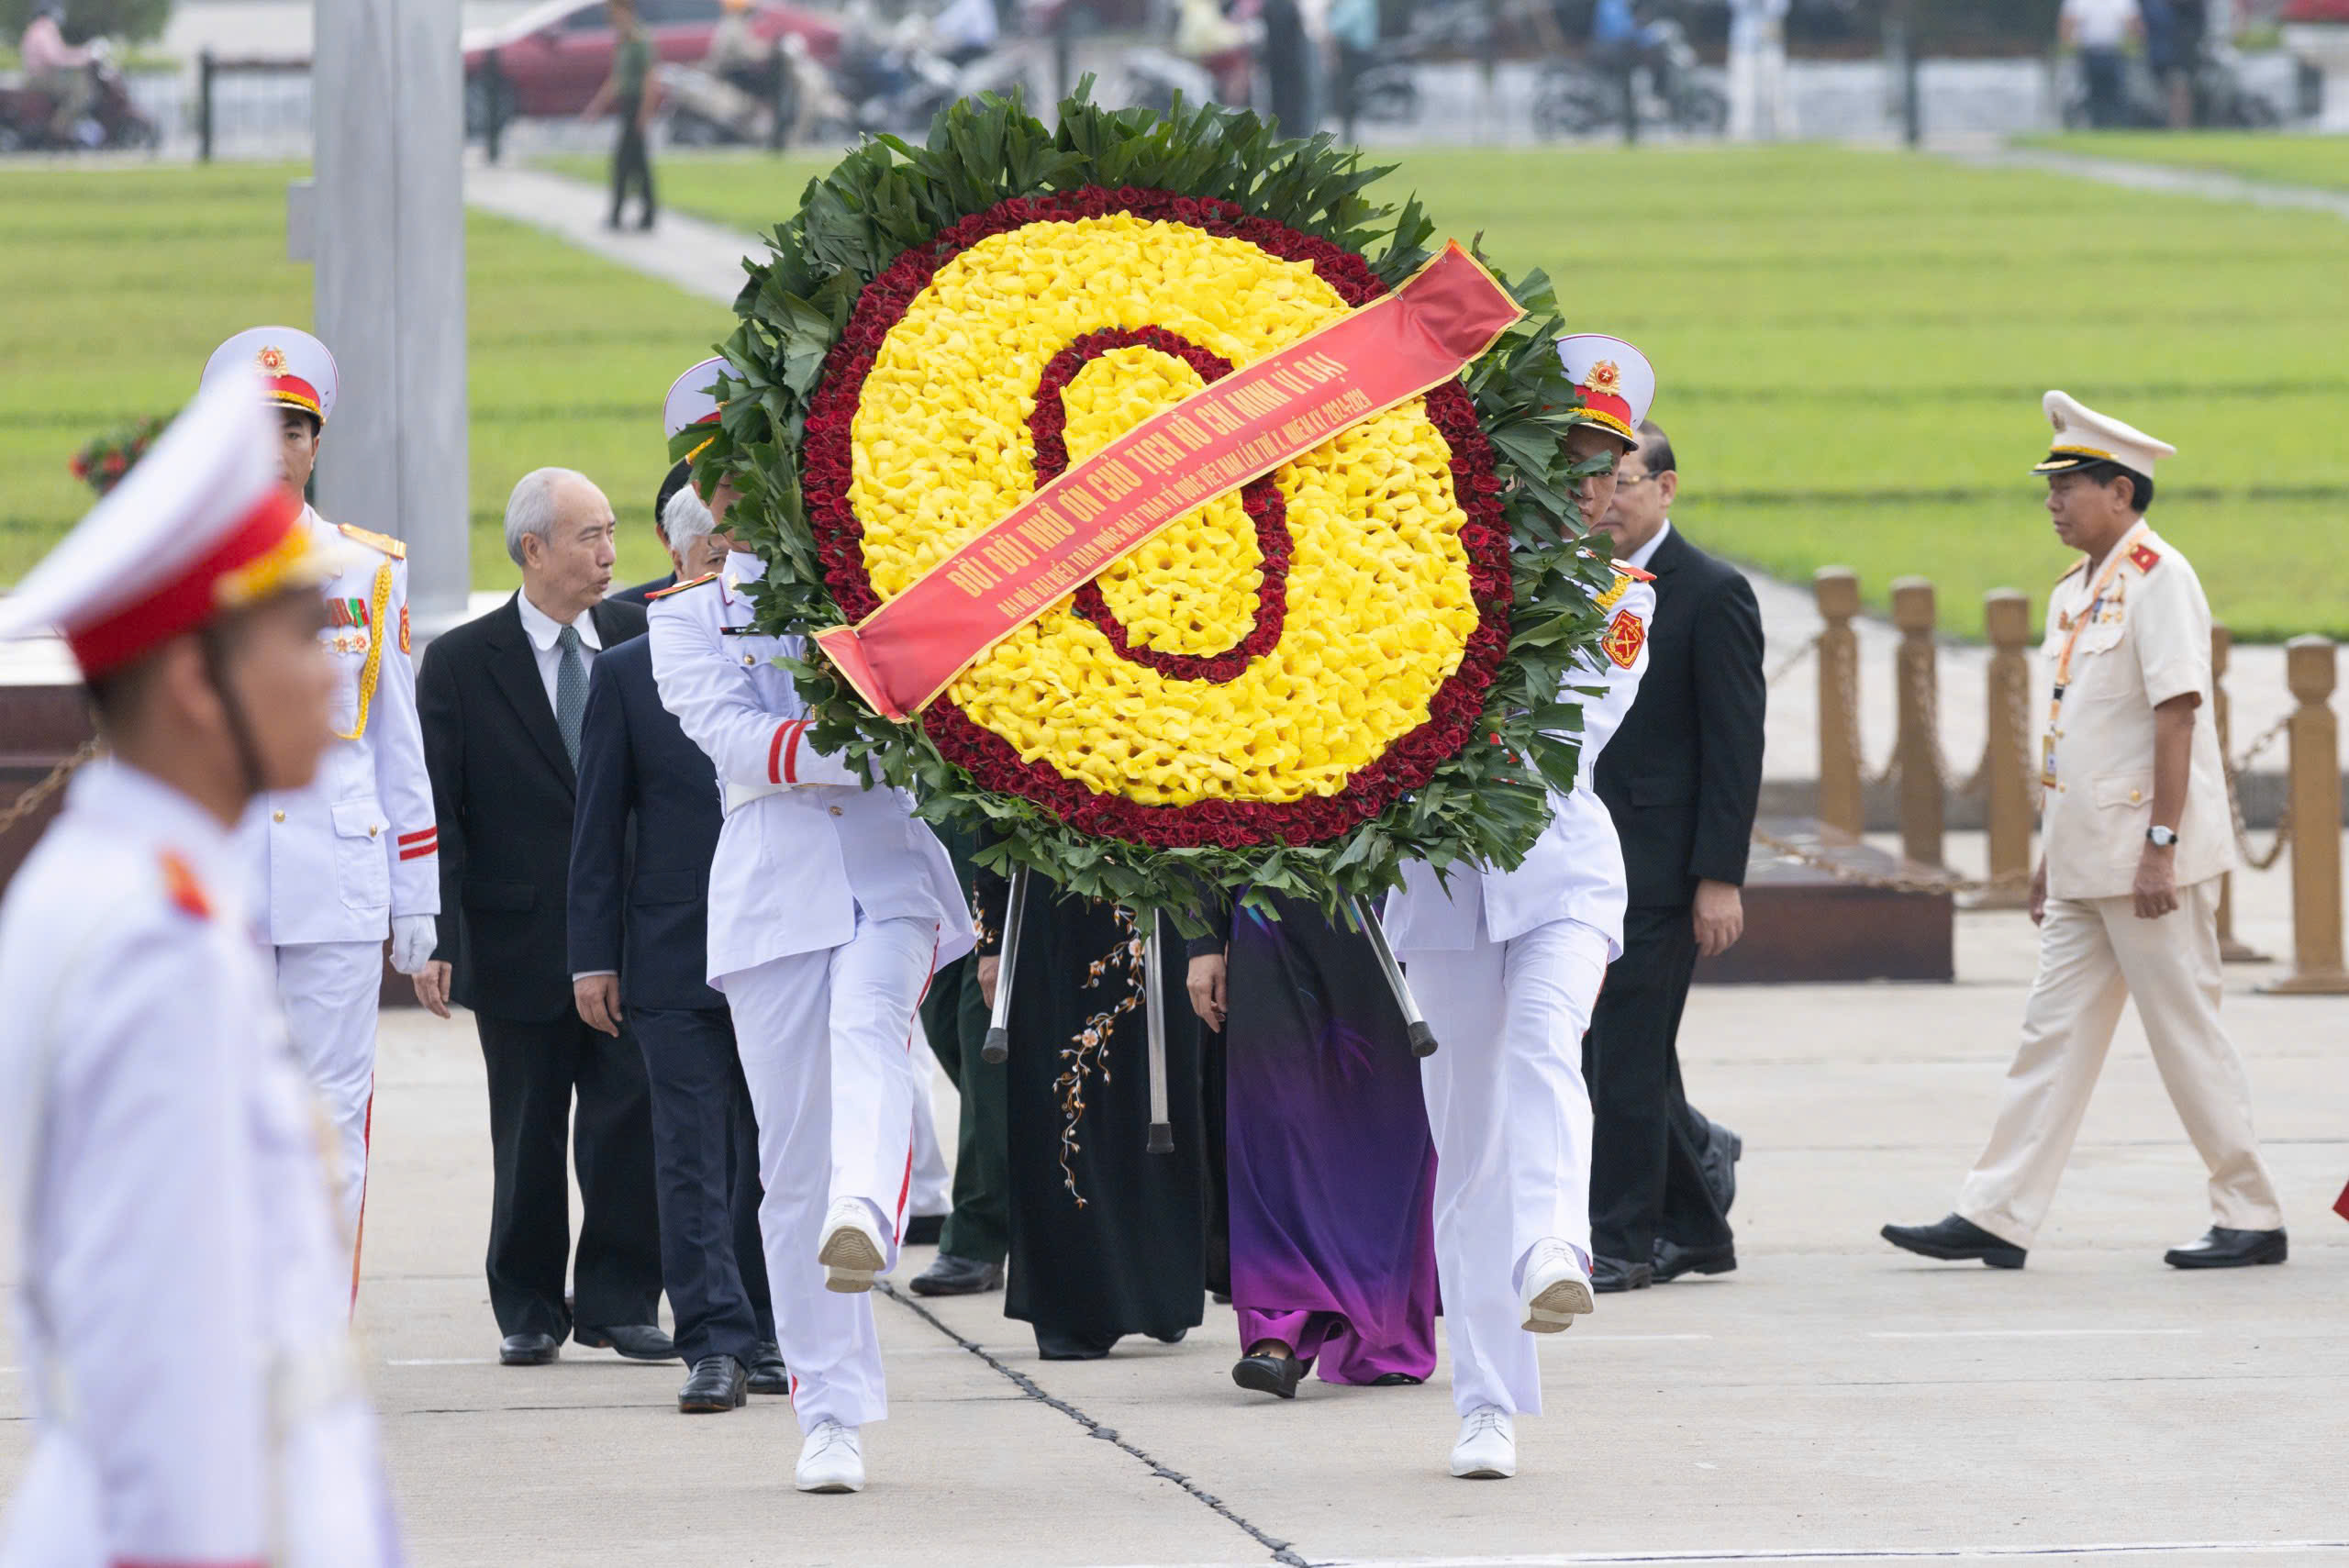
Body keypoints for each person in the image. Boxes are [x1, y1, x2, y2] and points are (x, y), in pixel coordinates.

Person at [0, 373, 404, 1566]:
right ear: (192, 680)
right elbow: (167, 1356)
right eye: (295, 639)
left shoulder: (151, 890)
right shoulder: (150, 944)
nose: (335, 674)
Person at [1883, 393, 2287, 1274]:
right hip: (2084, 861)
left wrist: (2163, 844)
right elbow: (2077, 736)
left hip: (2147, 862)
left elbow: (2178, 715)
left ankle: (2250, 1210)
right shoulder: (2076, 592)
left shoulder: (2159, 577)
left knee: (2185, 1034)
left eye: (2070, 486)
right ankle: (1996, 1212)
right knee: (2049, 1036)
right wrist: (2046, 859)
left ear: (2121, 490)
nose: (2054, 503)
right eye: (2052, 487)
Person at [650, 473, 973, 1496]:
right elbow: (738, 738)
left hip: (887, 872)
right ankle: (829, 1411)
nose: (750, 487)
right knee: (790, 1168)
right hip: (772, 894)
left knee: (871, 1027)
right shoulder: (688, 618)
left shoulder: (876, 582)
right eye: (726, 474)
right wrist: (868, 742)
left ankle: (871, 1208)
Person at [1386, 333, 1657, 1482]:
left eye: (1609, 460)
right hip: (1440, 893)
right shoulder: (1428, 563)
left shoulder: (1619, 598)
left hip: (1557, 877)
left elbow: (1562, 738)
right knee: (1466, 1149)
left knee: (1548, 1044)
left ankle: (1560, 1243)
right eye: (1572, 454)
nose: (1591, 480)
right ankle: (1483, 1401)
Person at [200, 327, 440, 1303]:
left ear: (314, 442)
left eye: (294, 427)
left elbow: (397, 742)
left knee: (333, 1112)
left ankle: (313, 1333)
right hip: (216, 875)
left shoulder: (366, 569)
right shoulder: (182, 573)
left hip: (336, 874)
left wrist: (416, 896)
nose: (276, 444)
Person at [415, 467, 669, 1367]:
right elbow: (440, 813)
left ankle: (622, 1296)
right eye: (588, 536)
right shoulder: (459, 661)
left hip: (630, 936)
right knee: (526, 1129)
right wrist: (435, 933)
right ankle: (526, 1302)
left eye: (610, 531)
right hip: (516, 933)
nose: (609, 553)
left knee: (627, 1120)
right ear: (533, 549)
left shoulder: (643, 639)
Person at [570, 481, 788, 1415]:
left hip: (779, 939)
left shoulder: (788, 654)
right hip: (673, 948)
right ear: (691, 558)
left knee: (774, 1148)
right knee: (692, 1151)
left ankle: (773, 1328)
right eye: (715, 564)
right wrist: (592, 956)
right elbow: (597, 825)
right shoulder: (629, 671)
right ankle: (714, 1342)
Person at [1583, 419, 1765, 1292]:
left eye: (1623, 481)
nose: (1607, 499)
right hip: (1586, 857)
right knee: (1627, 1055)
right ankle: (1695, 1215)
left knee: (1623, 1055)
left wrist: (1718, 878)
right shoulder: (1577, 582)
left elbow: (1735, 751)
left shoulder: (1712, 592)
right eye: (1596, 481)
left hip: (1661, 869)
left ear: (1666, 487)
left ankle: (1621, 1238)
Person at [1187, 894, 1436, 1397]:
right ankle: (1276, 1330)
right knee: (1274, 1121)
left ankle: (1380, 1334)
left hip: (1387, 908)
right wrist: (1203, 939)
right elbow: (1197, 817)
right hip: (1266, 909)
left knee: (1386, 1121)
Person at [974, 869, 1207, 1361]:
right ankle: (1075, 1303)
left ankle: (1158, 1287)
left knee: (1155, 1098)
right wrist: (992, 939)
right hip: (1053, 901)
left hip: (1156, 884)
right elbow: (990, 817)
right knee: (1062, 1097)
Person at [909, 823, 1012, 1297]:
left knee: (982, 1054)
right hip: (924, 850)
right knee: (943, 1027)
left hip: (985, 845)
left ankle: (977, 1236)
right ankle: (1018, 1184)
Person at [582, 0, 660, 231]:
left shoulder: (638, 39)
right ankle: (642, 214)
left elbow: (649, 79)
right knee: (636, 164)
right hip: (627, 105)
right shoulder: (623, 41)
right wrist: (597, 105)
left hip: (637, 106)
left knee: (626, 163)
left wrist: (644, 114)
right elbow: (616, 78)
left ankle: (623, 214)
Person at [19, 2, 95, 142]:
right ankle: (60, 126)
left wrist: (81, 54)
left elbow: (60, 53)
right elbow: (55, 58)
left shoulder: (36, 28)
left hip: (38, 78)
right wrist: (82, 58)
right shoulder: (44, 30)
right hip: (43, 78)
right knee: (82, 91)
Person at [2062, 0, 2141, 128]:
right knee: (2092, 93)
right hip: (2088, 53)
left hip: (2114, 53)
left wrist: (2133, 41)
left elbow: (2133, 24)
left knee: (2117, 93)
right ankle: (2096, 124)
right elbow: (2067, 24)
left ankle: (2118, 125)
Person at [1725, 0, 1789, 140]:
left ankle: (1779, 131)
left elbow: (1780, 8)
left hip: (1771, 41)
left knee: (1775, 91)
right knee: (1742, 90)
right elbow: (1735, 5)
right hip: (1744, 43)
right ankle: (1740, 131)